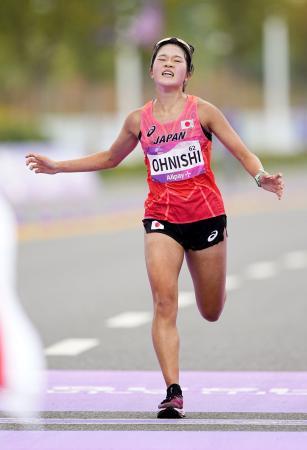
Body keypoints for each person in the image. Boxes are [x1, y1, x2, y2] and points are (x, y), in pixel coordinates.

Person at [25, 36, 284, 419]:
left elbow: (242, 152)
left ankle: (211, 290)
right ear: (151, 70)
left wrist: (260, 176)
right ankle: (173, 392)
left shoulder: (204, 112)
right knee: (164, 303)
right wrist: (58, 166)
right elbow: (111, 158)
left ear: (186, 74)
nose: (167, 63)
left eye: (176, 60)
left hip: (207, 217)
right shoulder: (137, 120)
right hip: (161, 219)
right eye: (161, 58)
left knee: (211, 310)